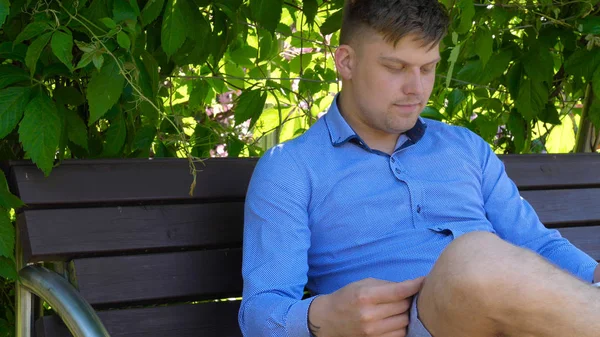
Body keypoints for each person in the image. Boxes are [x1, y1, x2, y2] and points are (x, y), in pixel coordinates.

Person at [238, 0, 600, 336]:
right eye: (395, 68)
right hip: (416, 324)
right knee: (474, 255)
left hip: (518, 317)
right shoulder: (291, 168)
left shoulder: (465, 147)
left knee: (480, 257)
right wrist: (322, 315)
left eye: (428, 68)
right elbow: (260, 310)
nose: (416, 88)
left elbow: (536, 243)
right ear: (346, 62)